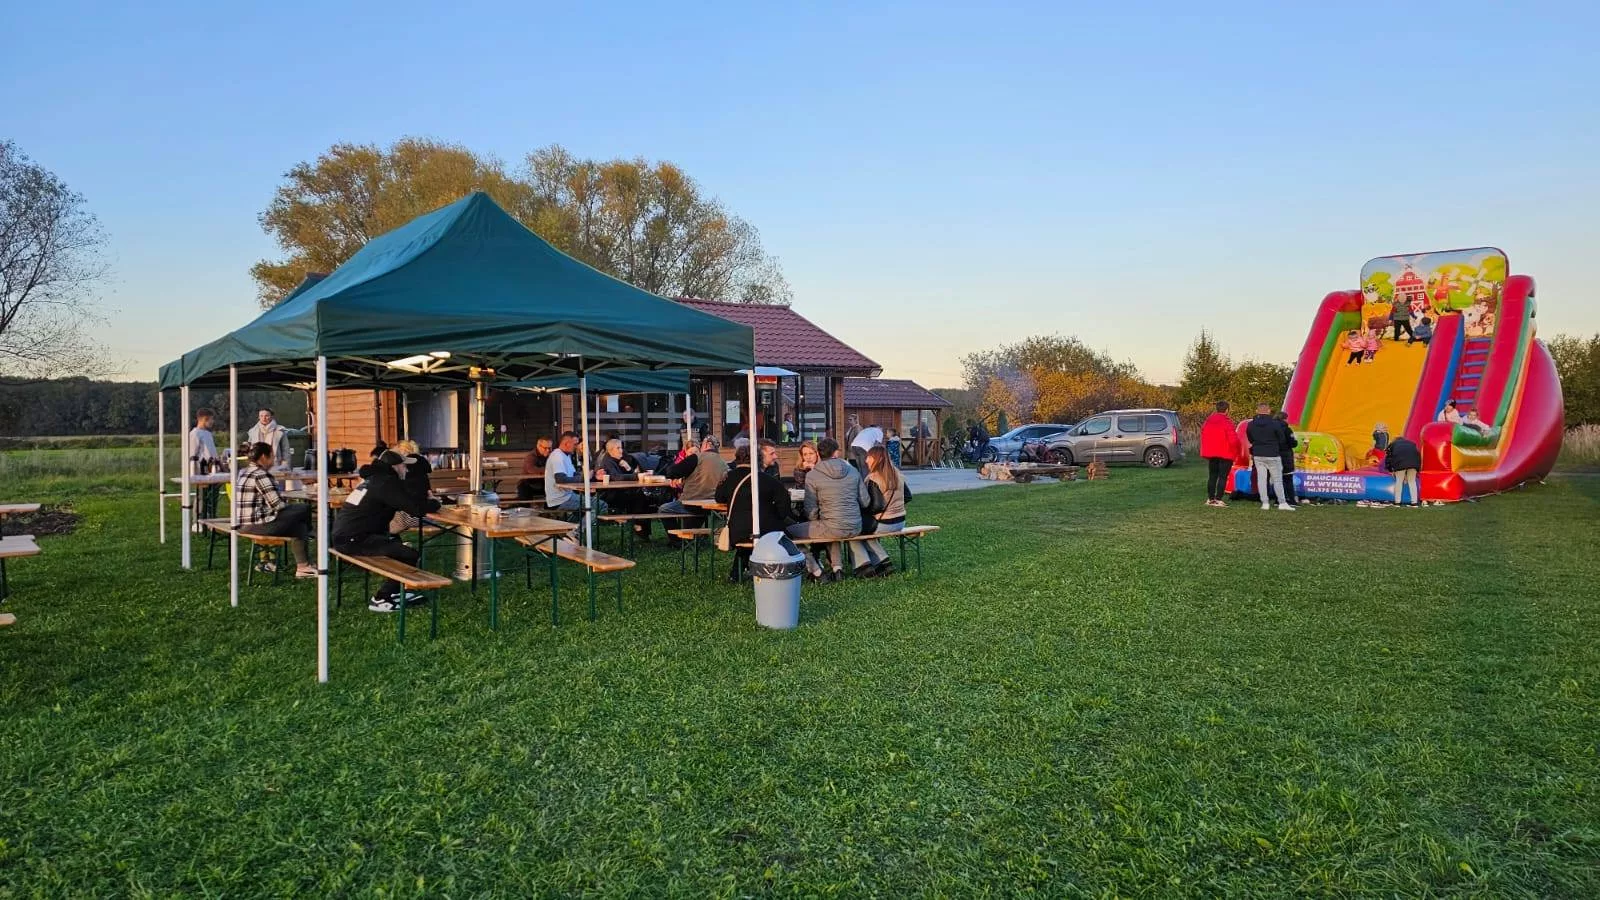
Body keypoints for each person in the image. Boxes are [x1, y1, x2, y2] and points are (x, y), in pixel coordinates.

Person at [332, 449, 442, 612]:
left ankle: (396, 591)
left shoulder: (373, 480)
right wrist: (434, 503)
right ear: (395, 466)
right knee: (409, 554)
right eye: (404, 466)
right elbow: (416, 510)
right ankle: (381, 598)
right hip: (354, 540)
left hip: (347, 536)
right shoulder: (385, 483)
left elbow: (405, 501)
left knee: (398, 545)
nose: (406, 470)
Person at [787, 438, 871, 580]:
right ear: (836, 453)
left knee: (787, 532)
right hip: (856, 526)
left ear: (818, 453)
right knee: (830, 526)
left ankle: (815, 570)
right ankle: (837, 569)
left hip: (832, 526)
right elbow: (866, 502)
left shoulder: (813, 475)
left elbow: (811, 511)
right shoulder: (853, 470)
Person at [235, 442, 316, 578]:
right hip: (257, 524)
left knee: (299, 525)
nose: (274, 460)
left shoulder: (244, 472)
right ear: (263, 457)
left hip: (243, 523)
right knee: (303, 508)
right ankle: (311, 533)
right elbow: (277, 505)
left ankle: (303, 567)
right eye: (272, 456)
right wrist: (288, 506)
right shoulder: (261, 475)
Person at [714, 445, 795, 582]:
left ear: (737, 459)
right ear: (759, 459)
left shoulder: (728, 477)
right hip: (766, 530)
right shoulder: (767, 479)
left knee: (747, 536)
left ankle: (736, 574)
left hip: (737, 530)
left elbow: (719, 498)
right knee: (783, 531)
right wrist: (776, 515)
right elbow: (784, 504)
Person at [857, 445, 910, 577]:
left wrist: (862, 510)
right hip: (901, 522)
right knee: (864, 531)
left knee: (855, 529)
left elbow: (876, 507)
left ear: (876, 458)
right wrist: (895, 507)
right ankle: (881, 564)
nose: (866, 460)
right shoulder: (897, 474)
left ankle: (882, 561)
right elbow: (908, 496)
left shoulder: (874, 478)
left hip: (883, 523)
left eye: (869, 457)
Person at [598, 438, 653, 540]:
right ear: (610, 450)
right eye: (618, 448)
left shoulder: (618, 460)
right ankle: (639, 527)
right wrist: (637, 476)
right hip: (611, 495)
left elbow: (627, 476)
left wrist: (628, 468)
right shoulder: (608, 461)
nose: (621, 450)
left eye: (621, 447)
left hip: (621, 491)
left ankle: (642, 529)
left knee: (643, 497)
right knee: (640, 497)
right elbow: (616, 477)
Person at [658, 436, 729, 516]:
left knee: (663, 508)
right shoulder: (724, 463)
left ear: (706, 444)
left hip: (691, 503)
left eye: (702, 444)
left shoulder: (697, 457)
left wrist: (677, 479)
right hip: (713, 506)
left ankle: (675, 525)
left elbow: (672, 472)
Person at [1245, 404, 1293, 511]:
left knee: (1261, 479)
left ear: (1257, 411)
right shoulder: (1275, 424)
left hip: (1258, 454)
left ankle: (1265, 503)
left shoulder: (1251, 424)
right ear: (1269, 411)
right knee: (1277, 480)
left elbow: (1250, 438)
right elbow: (1281, 439)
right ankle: (1282, 502)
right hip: (1273, 454)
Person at [1199, 401, 1240, 507]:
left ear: (1216, 409)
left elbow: (1203, 434)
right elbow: (1233, 440)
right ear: (1227, 410)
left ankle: (1210, 498)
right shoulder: (1227, 422)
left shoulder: (1208, 421)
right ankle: (1218, 499)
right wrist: (1237, 450)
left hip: (1212, 453)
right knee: (1223, 476)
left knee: (1212, 476)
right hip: (1225, 453)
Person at [387, 439, 433, 534]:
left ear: (403, 452)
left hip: (409, 516)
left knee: (379, 523)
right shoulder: (422, 467)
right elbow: (429, 493)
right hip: (425, 515)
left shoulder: (403, 468)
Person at [543, 432, 585, 512]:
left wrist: (592, 475)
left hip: (566, 497)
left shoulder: (566, 455)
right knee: (600, 504)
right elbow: (561, 479)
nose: (577, 447)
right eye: (575, 444)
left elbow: (574, 474)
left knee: (592, 502)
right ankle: (583, 521)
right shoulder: (557, 456)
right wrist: (584, 478)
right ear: (566, 444)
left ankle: (579, 520)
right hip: (560, 501)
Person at [1385, 433, 1423, 507]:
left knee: (1399, 481)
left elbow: (1388, 458)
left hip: (1400, 463)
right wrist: (1417, 469)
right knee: (1412, 481)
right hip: (1414, 463)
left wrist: (1391, 470)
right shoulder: (1412, 444)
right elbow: (1417, 455)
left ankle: (1397, 502)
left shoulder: (1393, 445)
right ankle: (1414, 502)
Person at [1274, 410, 1299, 506]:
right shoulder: (1287, 429)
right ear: (1284, 419)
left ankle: (1277, 500)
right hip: (1285, 456)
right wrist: (1295, 441)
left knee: (1277, 479)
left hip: (1274, 455)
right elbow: (1293, 443)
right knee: (1288, 479)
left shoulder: (1271, 429)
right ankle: (1291, 500)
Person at [518, 436, 553, 501]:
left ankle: (549, 507)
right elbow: (531, 469)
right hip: (528, 484)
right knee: (524, 489)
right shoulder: (531, 456)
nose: (548, 450)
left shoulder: (552, 455)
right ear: (538, 446)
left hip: (543, 484)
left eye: (550, 448)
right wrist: (549, 470)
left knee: (553, 489)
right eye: (545, 448)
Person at [188, 407, 219, 471]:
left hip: (212, 469)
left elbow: (212, 453)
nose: (212, 421)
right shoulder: (195, 433)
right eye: (211, 419)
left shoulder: (209, 434)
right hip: (201, 470)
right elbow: (192, 455)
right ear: (205, 419)